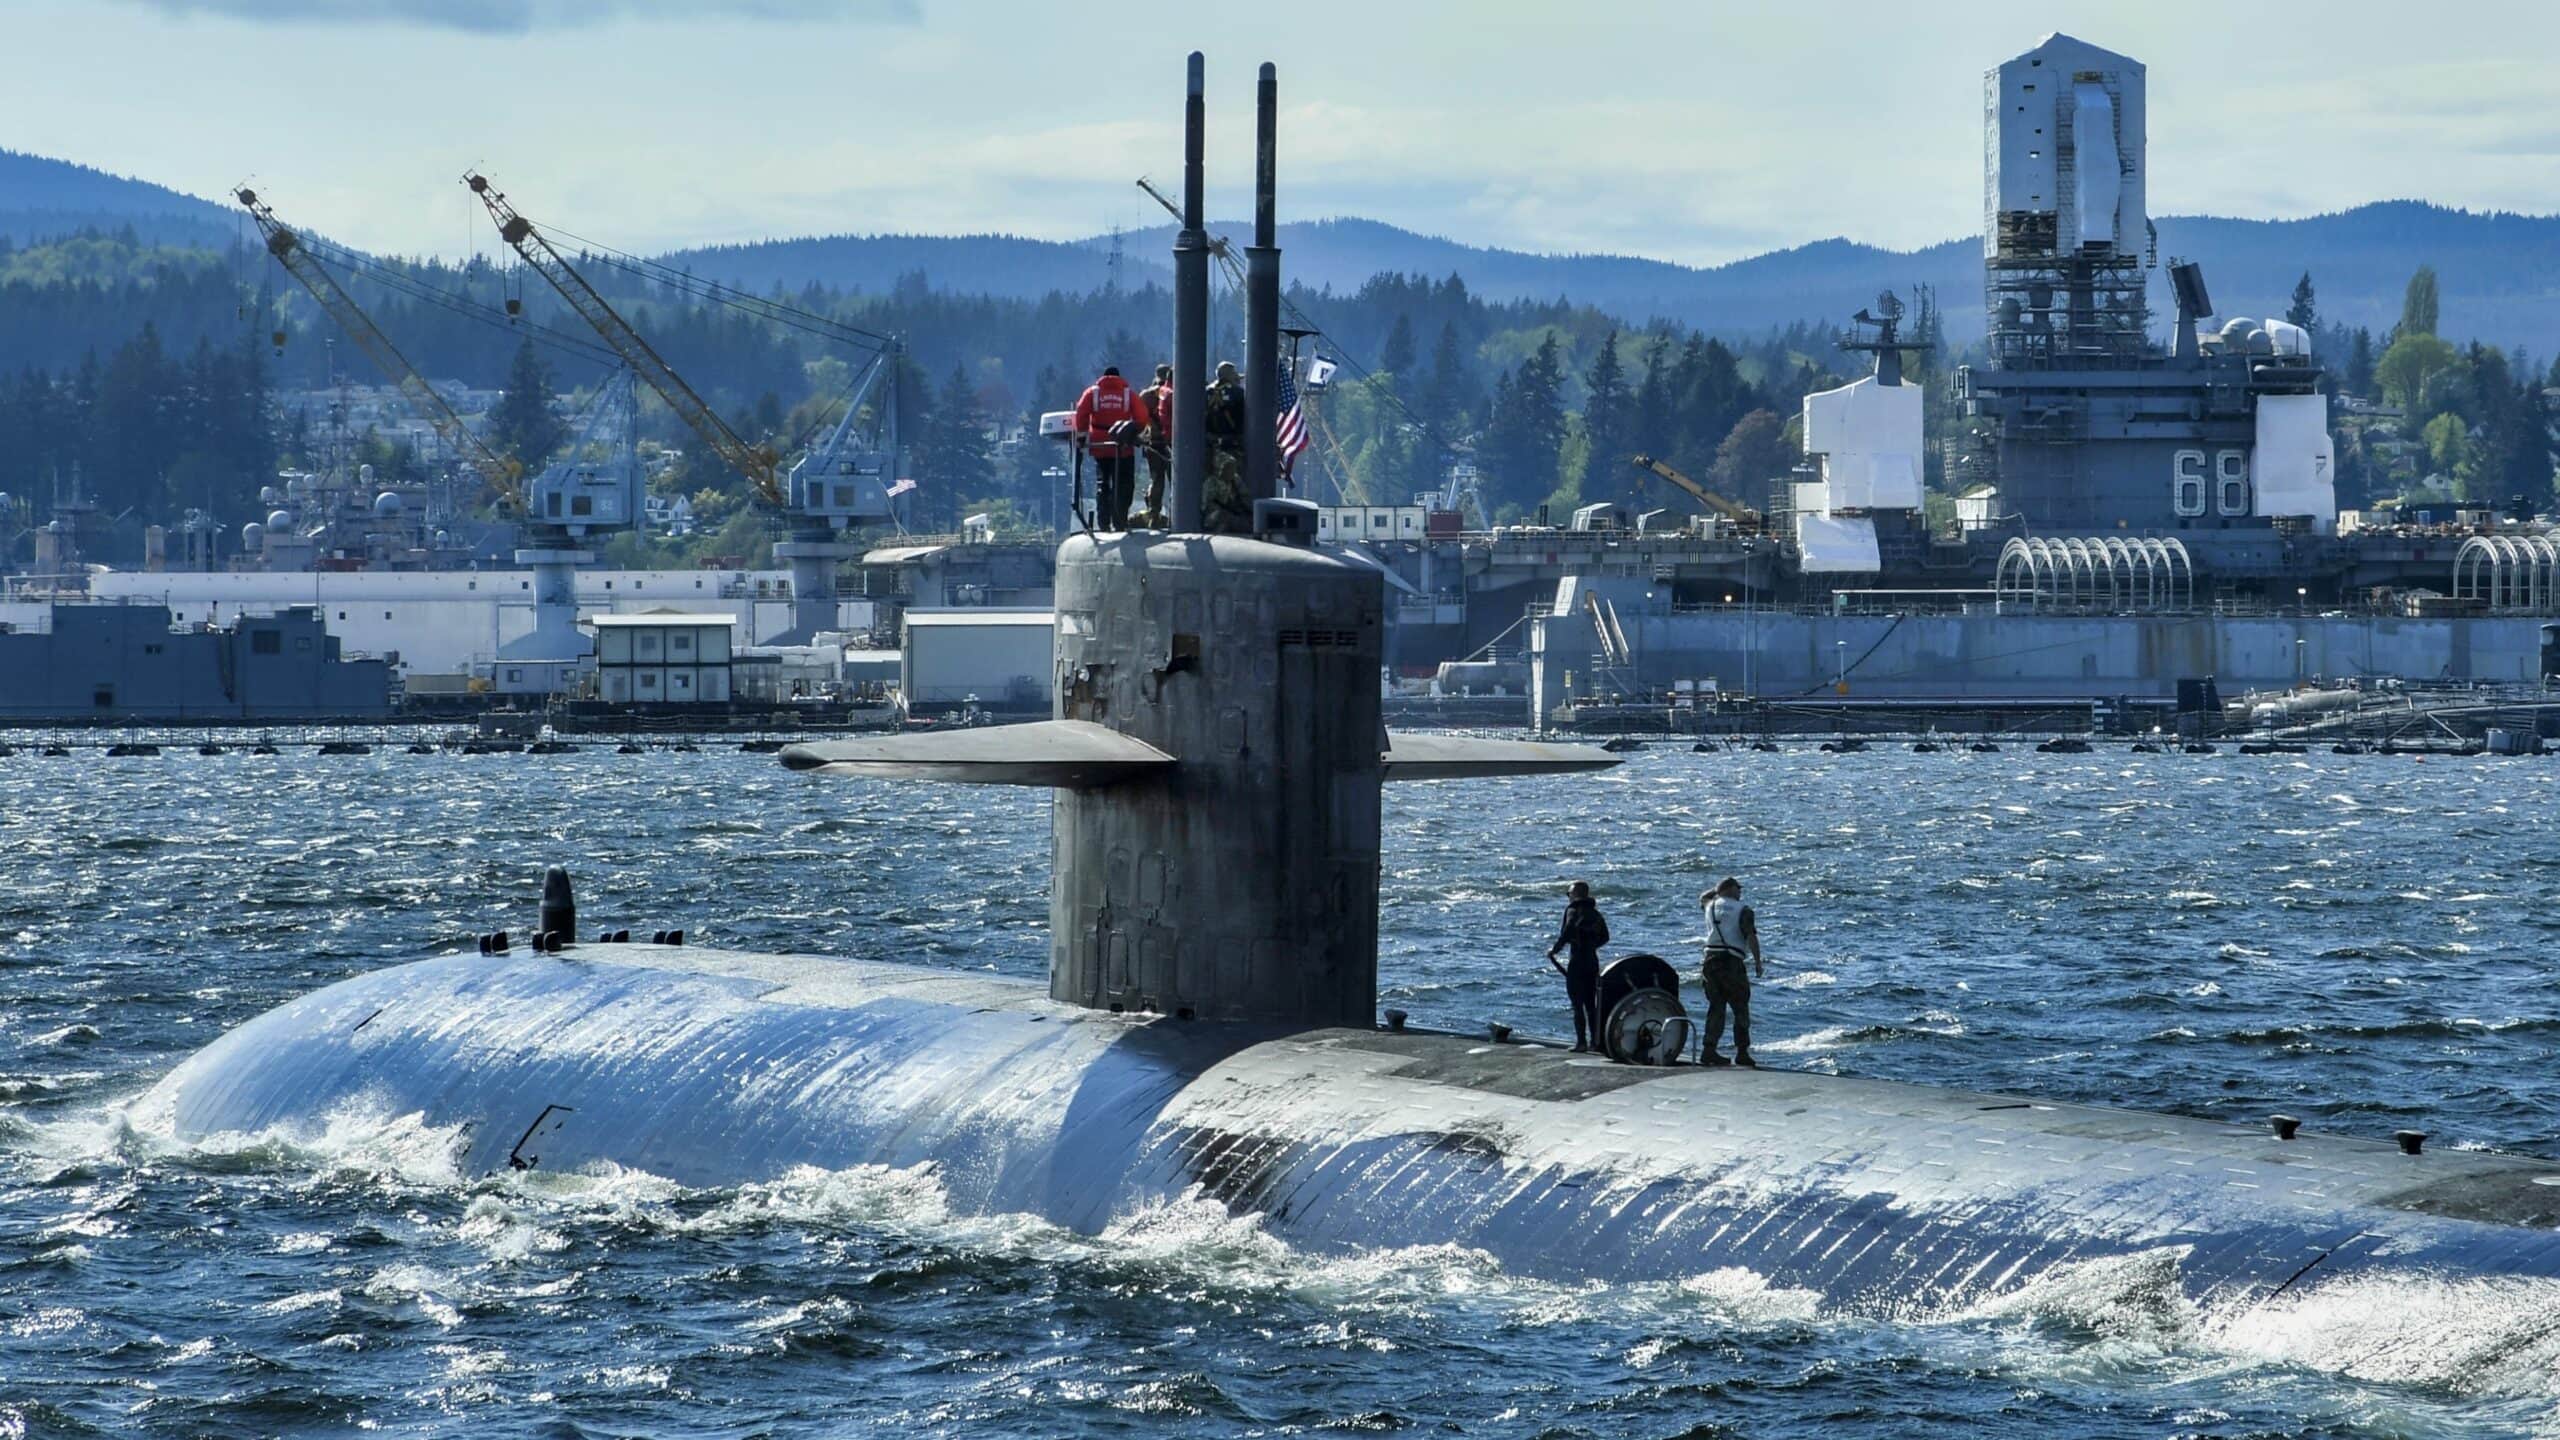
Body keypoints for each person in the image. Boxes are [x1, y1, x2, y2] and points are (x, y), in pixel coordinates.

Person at [1699, 876, 1764, 1067]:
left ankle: (1708, 1050)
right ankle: (1742, 1052)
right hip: (1732, 962)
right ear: (1731, 889)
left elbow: (1703, 896)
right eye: (1737, 888)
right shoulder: (1743, 910)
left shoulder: (1710, 905)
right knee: (1740, 1008)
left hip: (1710, 961)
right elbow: (1751, 936)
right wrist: (1758, 962)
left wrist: (1718, 890)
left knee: (1716, 1007)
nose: (1740, 892)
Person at [1072, 365, 1141, 529]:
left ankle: (1103, 521)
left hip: (1100, 446)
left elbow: (1081, 413)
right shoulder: (1128, 394)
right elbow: (1141, 415)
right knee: (1123, 484)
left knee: (1103, 483)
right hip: (1123, 447)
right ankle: (1120, 520)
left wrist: (1081, 436)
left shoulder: (1092, 393)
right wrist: (1137, 433)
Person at [1545, 880, 1610, 1053]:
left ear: (1575, 894)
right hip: (1592, 961)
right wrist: (1591, 945)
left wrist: (1555, 949)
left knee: (1577, 1003)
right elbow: (1605, 937)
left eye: (1569, 894)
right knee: (1591, 1005)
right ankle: (1596, 1042)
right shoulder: (1595, 913)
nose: (1568, 897)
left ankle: (1581, 1043)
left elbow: (1567, 930)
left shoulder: (1573, 909)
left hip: (1577, 961)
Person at [1201, 361, 1251, 534]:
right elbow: (1244, 420)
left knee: (1210, 481)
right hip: (1231, 444)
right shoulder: (1238, 393)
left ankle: (1209, 515)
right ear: (1229, 374)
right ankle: (1233, 515)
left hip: (1209, 444)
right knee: (1235, 481)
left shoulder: (1207, 392)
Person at [1133, 363, 1174, 527]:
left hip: (1153, 443)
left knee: (1156, 479)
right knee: (1175, 480)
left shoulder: (1145, 395)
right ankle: (1177, 514)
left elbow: (1139, 420)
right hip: (1171, 442)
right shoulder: (1172, 393)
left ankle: (1153, 514)